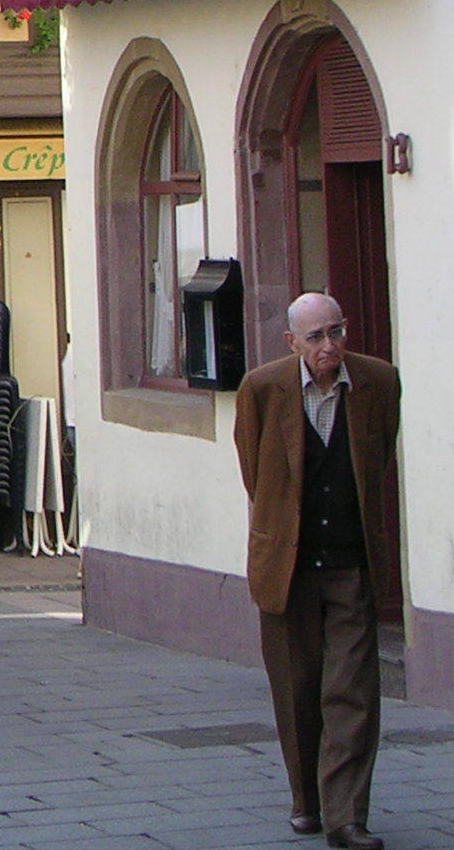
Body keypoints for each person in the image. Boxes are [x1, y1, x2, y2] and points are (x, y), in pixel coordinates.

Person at [234, 291, 401, 850]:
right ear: (292, 342)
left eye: (338, 331)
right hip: (289, 565)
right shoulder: (262, 388)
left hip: (352, 561)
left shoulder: (379, 382)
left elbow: (378, 461)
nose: (330, 346)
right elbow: (254, 472)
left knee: (351, 692)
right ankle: (308, 799)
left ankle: (347, 818)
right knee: (298, 687)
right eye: (316, 336)